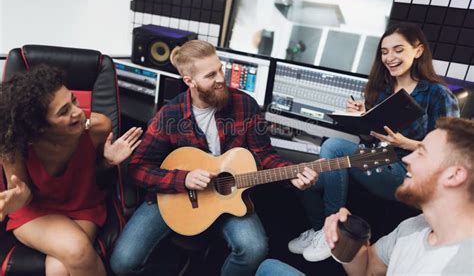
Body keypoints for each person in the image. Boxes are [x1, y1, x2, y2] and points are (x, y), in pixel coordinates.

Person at [110, 40, 318, 276]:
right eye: (211, 75)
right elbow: (137, 168)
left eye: (221, 69)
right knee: (122, 262)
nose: (221, 78)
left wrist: (292, 173)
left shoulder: (245, 105)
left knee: (254, 249)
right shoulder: (169, 115)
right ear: (190, 81)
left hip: (228, 197)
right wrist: (183, 179)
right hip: (175, 197)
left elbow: (265, 155)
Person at [288, 22, 460, 262]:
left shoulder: (438, 94)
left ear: (418, 50)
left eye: (398, 50)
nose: (390, 57)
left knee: (334, 147)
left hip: (408, 170)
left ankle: (334, 235)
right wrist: (362, 117)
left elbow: (448, 152)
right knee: (308, 171)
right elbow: (372, 138)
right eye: (384, 51)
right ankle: (320, 229)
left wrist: (404, 143)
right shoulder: (383, 91)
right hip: (379, 157)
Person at [257, 117, 474, 275]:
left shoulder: (463, 262)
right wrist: (344, 242)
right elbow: (368, 269)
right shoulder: (412, 228)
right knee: (268, 268)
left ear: (454, 175)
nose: (407, 159)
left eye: (421, 152)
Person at [0, 65, 142, 276]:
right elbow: (23, 194)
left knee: (58, 269)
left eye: (73, 101)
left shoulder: (98, 127)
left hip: (82, 205)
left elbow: (96, 173)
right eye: (63, 112)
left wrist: (108, 162)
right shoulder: (12, 145)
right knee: (76, 251)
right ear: (39, 127)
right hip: (35, 212)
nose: (78, 112)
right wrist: (17, 199)